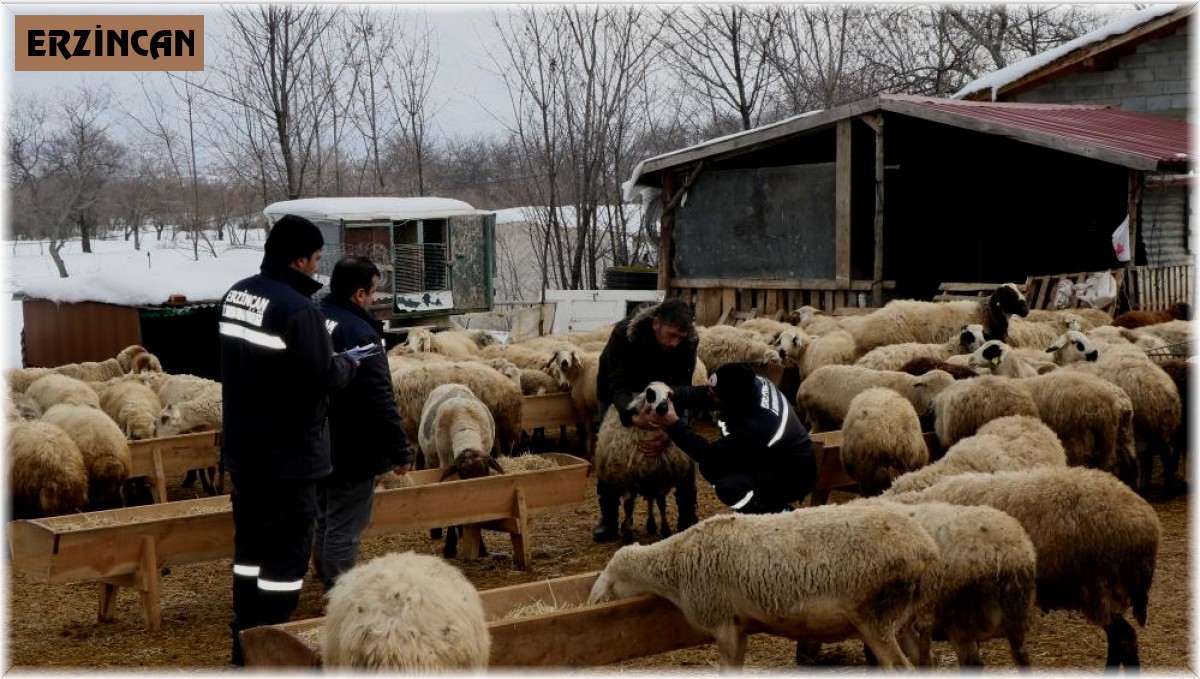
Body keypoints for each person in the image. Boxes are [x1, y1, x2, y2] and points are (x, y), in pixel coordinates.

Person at [219, 214, 358, 666]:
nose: (318, 269)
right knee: (286, 558)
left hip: (246, 450)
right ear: (299, 259)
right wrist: (348, 364)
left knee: (250, 550)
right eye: (317, 259)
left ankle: (244, 640)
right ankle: (272, 647)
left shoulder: (236, 295)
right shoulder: (299, 310)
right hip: (289, 455)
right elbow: (323, 374)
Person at [315, 256, 414, 590]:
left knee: (326, 518)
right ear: (359, 294)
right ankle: (339, 594)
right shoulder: (360, 332)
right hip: (353, 445)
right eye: (372, 292)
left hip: (320, 438)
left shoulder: (318, 318)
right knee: (345, 526)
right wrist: (400, 449)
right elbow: (379, 396)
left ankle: (326, 578)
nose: (373, 299)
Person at [646, 361, 816, 514]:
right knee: (712, 468)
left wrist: (673, 424)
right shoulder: (749, 383)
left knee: (728, 487)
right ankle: (759, 503)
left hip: (792, 474)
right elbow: (707, 395)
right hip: (771, 455)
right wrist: (673, 393)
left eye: (715, 395)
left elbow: (710, 454)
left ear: (732, 401)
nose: (710, 395)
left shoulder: (756, 427)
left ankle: (776, 513)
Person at [593, 299, 700, 542]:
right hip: (618, 387)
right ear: (656, 323)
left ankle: (688, 514)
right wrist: (631, 416)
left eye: (680, 338)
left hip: (666, 387)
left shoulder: (688, 342)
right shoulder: (623, 335)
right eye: (671, 335)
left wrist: (671, 432)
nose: (675, 343)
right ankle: (608, 518)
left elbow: (682, 387)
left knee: (684, 447)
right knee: (608, 449)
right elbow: (617, 385)